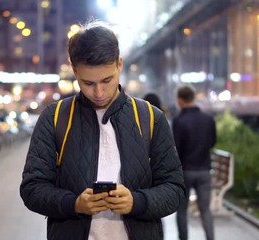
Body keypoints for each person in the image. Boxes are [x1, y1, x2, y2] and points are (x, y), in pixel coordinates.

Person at [20, 20, 185, 240]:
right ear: (74, 70)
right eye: (87, 83)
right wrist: (75, 204)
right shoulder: (55, 117)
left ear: (119, 64)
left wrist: (136, 202)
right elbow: (32, 189)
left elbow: (175, 189)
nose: (99, 92)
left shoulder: (150, 117)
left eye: (107, 80)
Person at [172, 85, 216, 240]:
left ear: (180, 100)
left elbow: (176, 147)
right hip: (204, 170)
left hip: (185, 171)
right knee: (205, 209)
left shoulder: (179, 120)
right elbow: (212, 142)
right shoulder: (208, 119)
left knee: (182, 209)